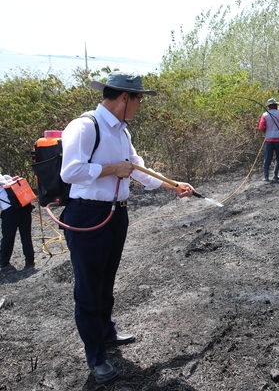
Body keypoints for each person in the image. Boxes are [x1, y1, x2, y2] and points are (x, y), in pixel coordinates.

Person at [60, 72, 196, 384]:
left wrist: (171, 185)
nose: (139, 106)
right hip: (87, 217)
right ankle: (96, 356)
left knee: (106, 280)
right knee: (88, 289)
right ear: (124, 98)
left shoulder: (122, 131)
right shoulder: (85, 126)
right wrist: (110, 169)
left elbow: (138, 168)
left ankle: (106, 332)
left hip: (116, 215)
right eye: (137, 100)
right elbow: (70, 172)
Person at [0, 174, 35, 271]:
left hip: (10, 213)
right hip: (24, 207)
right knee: (26, 235)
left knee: (8, 237)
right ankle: (30, 260)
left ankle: (3, 261)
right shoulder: (4, 178)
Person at [258, 98, 279, 181]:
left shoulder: (265, 115)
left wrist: (267, 132)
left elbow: (261, 127)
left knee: (267, 158)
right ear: (276, 106)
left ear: (269, 106)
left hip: (269, 140)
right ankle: (275, 175)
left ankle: (266, 177)